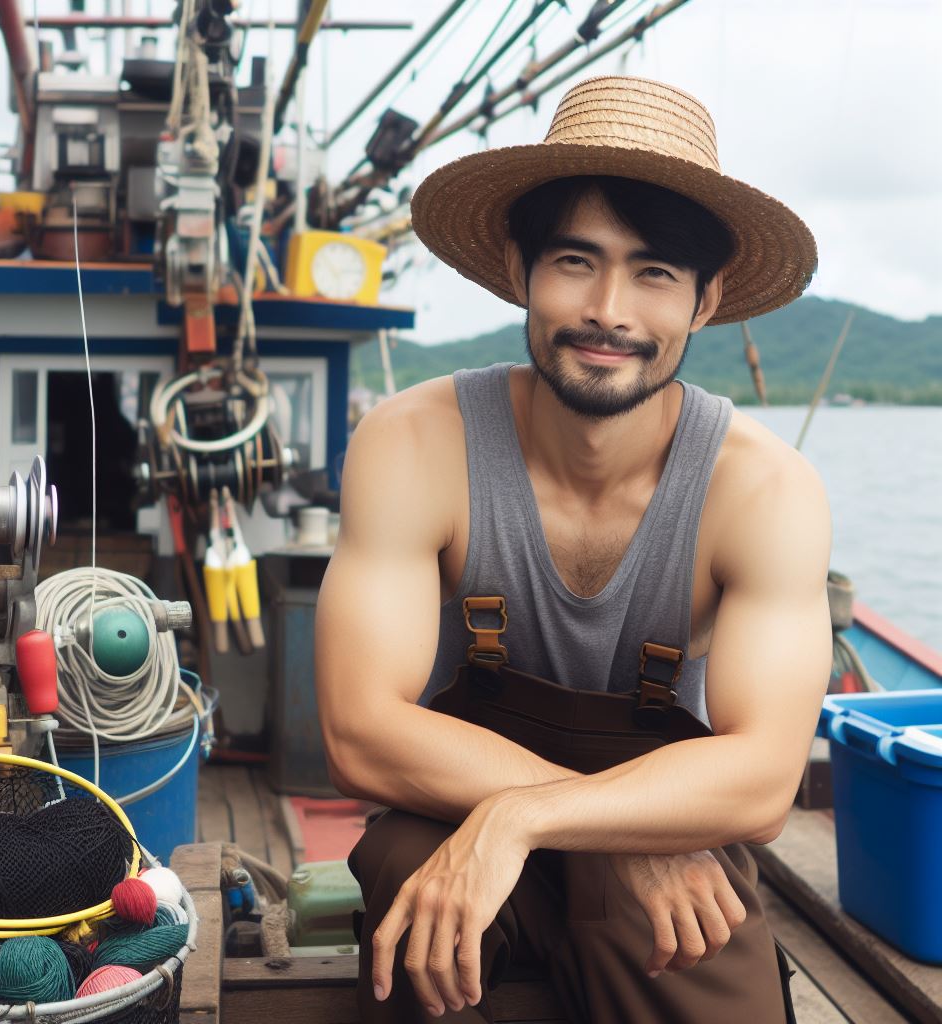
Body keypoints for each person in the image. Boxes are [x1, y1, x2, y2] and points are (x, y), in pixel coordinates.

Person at [315, 76, 831, 1023]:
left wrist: (532, 817)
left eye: (656, 274)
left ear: (708, 298)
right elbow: (357, 732)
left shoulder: (763, 491)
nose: (609, 310)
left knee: (686, 929)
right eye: (574, 260)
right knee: (406, 868)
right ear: (520, 270)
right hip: (454, 819)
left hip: (658, 868)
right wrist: (610, 829)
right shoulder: (415, 442)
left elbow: (760, 784)